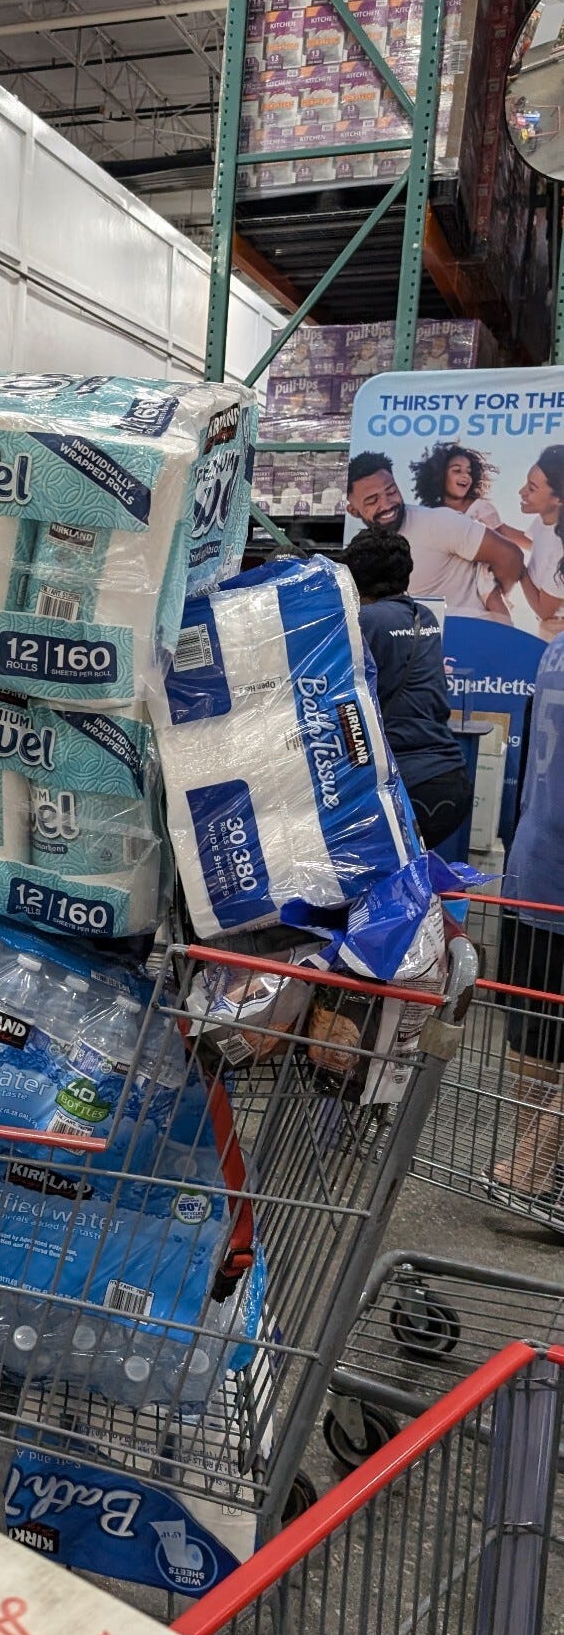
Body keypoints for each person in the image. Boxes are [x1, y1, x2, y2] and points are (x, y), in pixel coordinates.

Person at [342, 527, 473, 849]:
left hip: (404, 787)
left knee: (372, 888)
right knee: (412, 881)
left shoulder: (363, 621)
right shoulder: (422, 617)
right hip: (450, 779)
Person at [492, 626, 564, 1211]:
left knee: (537, 1033)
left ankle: (531, 1160)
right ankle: (536, 1164)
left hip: (534, 863)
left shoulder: (554, 651)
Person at [345, 451, 523, 623]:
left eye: (391, 491)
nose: (386, 504)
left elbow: (510, 556)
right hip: (418, 647)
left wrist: (492, 597)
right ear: (353, 510)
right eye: (372, 500)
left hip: (470, 641)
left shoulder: (438, 523)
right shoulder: (364, 552)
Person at [515, 446, 564, 641]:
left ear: (559, 499)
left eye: (532, 488)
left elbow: (544, 609)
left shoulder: (561, 548)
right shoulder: (548, 521)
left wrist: (516, 566)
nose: (522, 491)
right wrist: (493, 527)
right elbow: (533, 544)